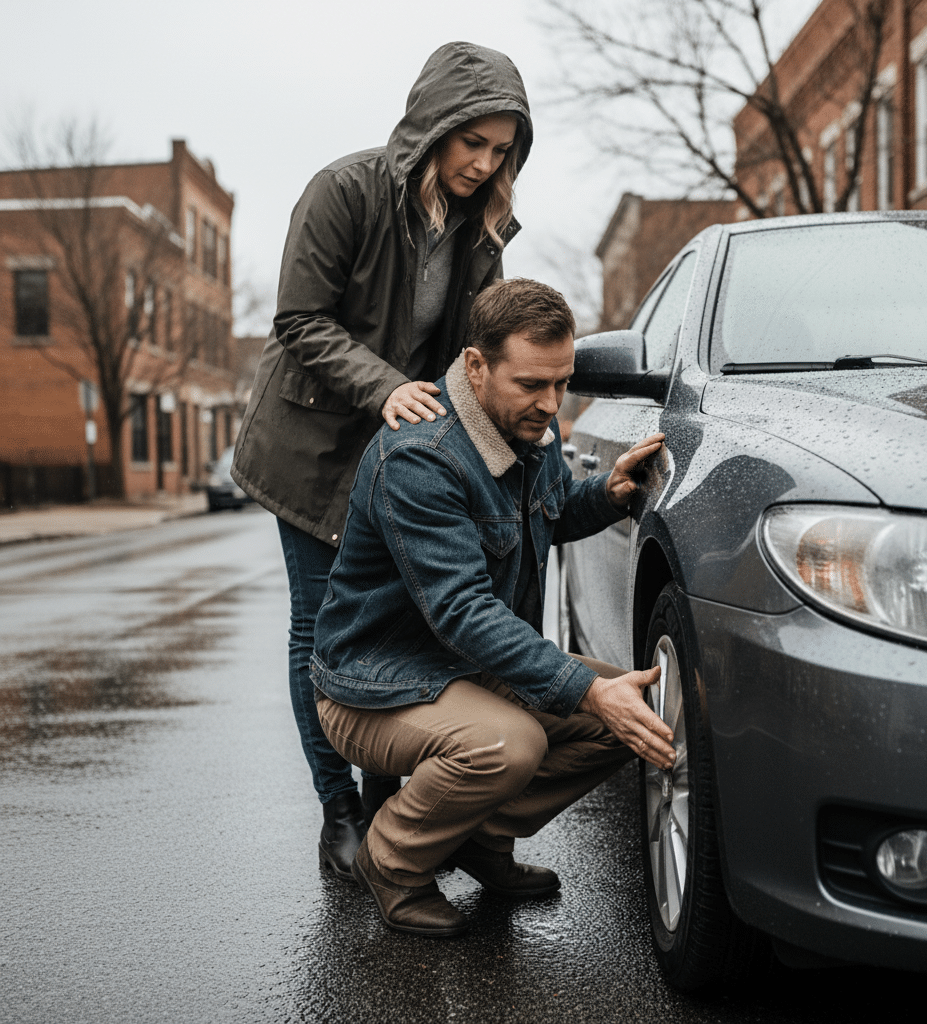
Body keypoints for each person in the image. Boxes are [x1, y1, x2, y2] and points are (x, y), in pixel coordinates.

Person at [230, 42, 534, 880]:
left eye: (502, 148)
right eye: (472, 141)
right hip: (313, 446)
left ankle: (408, 822)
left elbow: (478, 341)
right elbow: (299, 318)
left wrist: (519, 405)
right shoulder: (345, 190)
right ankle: (340, 816)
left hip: (402, 457)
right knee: (319, 632)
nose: (484, 162)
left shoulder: (481, 227)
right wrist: (389, 389)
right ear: (434, 123)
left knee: (408, 634)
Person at [310, 278, 676, 937]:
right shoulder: (421, 456)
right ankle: (391, 857)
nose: (551, 403)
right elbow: (462, 611)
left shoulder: (526, 430)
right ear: (476, 366)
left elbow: (547, 517)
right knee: (513, 742)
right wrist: (583, 692)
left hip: (469, 670)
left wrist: (608, 493)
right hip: (379, 686)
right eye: (533, 384)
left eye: (563, 383)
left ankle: (476, 838)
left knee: (634, 710)